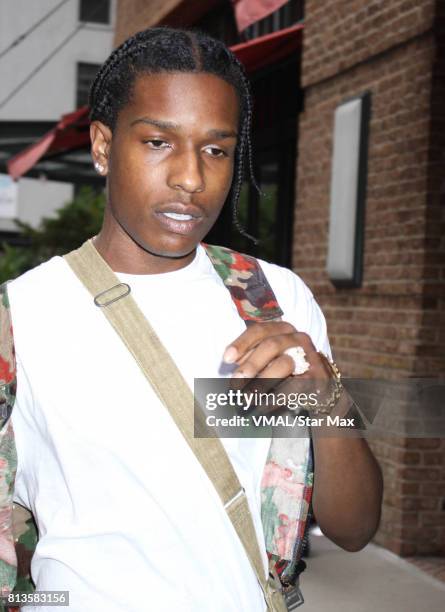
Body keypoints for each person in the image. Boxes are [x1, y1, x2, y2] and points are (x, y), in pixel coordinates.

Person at [2, 27, 382, 611]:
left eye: (216, 149)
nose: (190, 177)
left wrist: (327, 399)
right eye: (158, 142)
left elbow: (355, 529)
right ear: (103, 146)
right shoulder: (23, 317)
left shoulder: (273, 299)